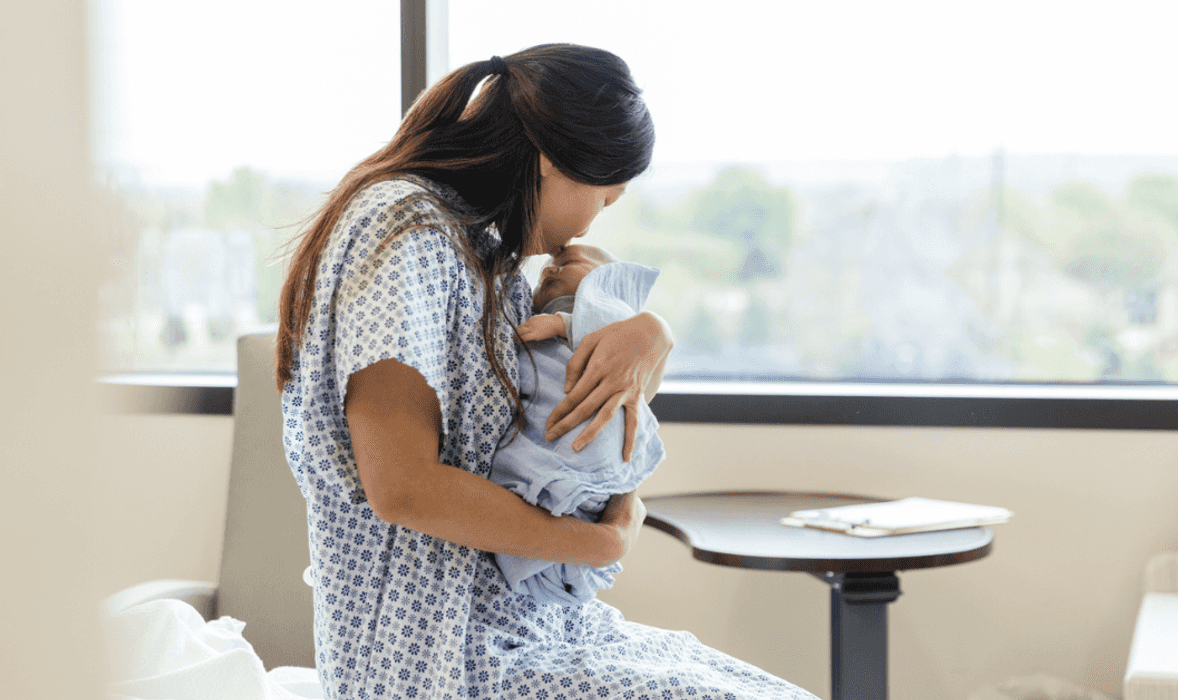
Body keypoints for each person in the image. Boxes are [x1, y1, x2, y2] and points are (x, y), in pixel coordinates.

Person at [275, 44, 816, 699]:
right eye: (604, 198)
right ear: (553, 162)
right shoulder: (403, 228)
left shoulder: (481, 254)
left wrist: (642, 330)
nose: (591, 221)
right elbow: (403, 488)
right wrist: (595, 546)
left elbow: (558, 430)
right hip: (436, 660)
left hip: (531, 627)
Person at [491, 245, 666, 606]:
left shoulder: (608, 313)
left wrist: (559, 323)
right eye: (549, 266)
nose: (548, 271)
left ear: (605, 281)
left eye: (568, 262)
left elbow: (599, 332)